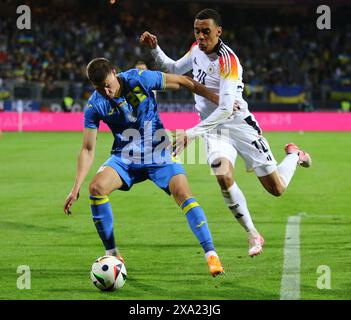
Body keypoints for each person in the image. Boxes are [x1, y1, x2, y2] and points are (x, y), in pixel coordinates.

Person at [140, 8, 312, 257]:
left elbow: (225, 109)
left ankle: (295, 155)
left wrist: (191, 133)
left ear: (218, 32)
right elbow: (175, 69)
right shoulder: (196, 50)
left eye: (206, 31)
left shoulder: (228, 62)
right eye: (197, 31)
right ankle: (253, 234)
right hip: (214, 129)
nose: (200, 36)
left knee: (277, 188)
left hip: (239, 125)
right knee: (222, 173)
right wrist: (154, 48)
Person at [63, 57, 225, 277]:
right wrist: (75, 187)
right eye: (100, 89)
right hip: (125, 157)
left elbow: (184, 81)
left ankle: (211, 254)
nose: (107, 92)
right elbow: (87, 149)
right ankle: (113, 254)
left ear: (114, 71)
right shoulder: (95, 105)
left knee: (183, 193)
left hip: (159, 152)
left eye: (108, 85)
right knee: (96, 188)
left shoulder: (139, 79)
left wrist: (218, 99)